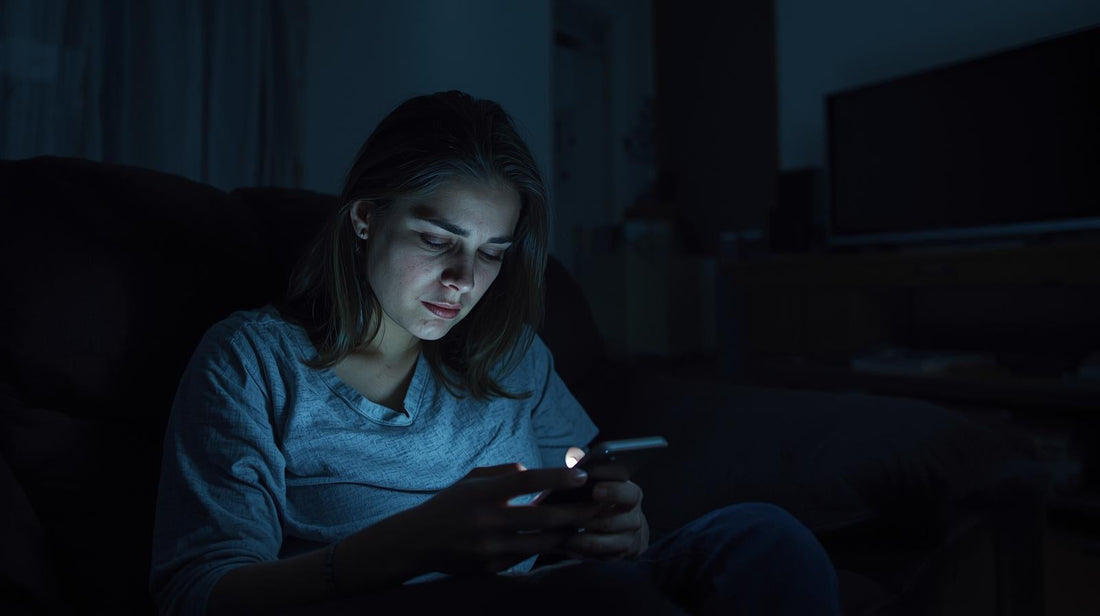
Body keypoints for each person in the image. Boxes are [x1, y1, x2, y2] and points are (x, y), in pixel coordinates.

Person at [150, 90, 840, 616]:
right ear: (366, 217)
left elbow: (593, 508)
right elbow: (195, 592)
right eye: (436, 240)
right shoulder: (253, 362)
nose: (463, 280)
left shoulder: (511, 356)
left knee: (763, 539)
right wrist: (412, 545)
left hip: (559, 592)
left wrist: (618, 527)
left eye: (490, 254)